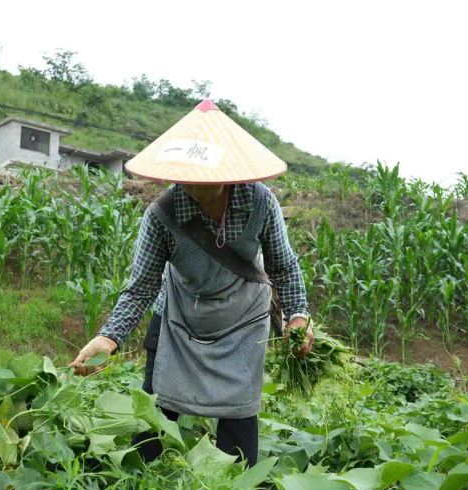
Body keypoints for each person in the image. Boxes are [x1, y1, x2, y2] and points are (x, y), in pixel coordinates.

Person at [69, 99, 314, 467]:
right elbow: (142, 287)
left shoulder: (259, 202)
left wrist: (297, 315)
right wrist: (108, 338)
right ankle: (141, 475)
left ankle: (236, 482)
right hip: (180, 313)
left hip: (243, 317)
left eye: (207, 175)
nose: (196, 185)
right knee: (156, 404)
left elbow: (284, 266)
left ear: (229, 168)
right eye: (188, 175)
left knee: (238, 413)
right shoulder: (162, 215)